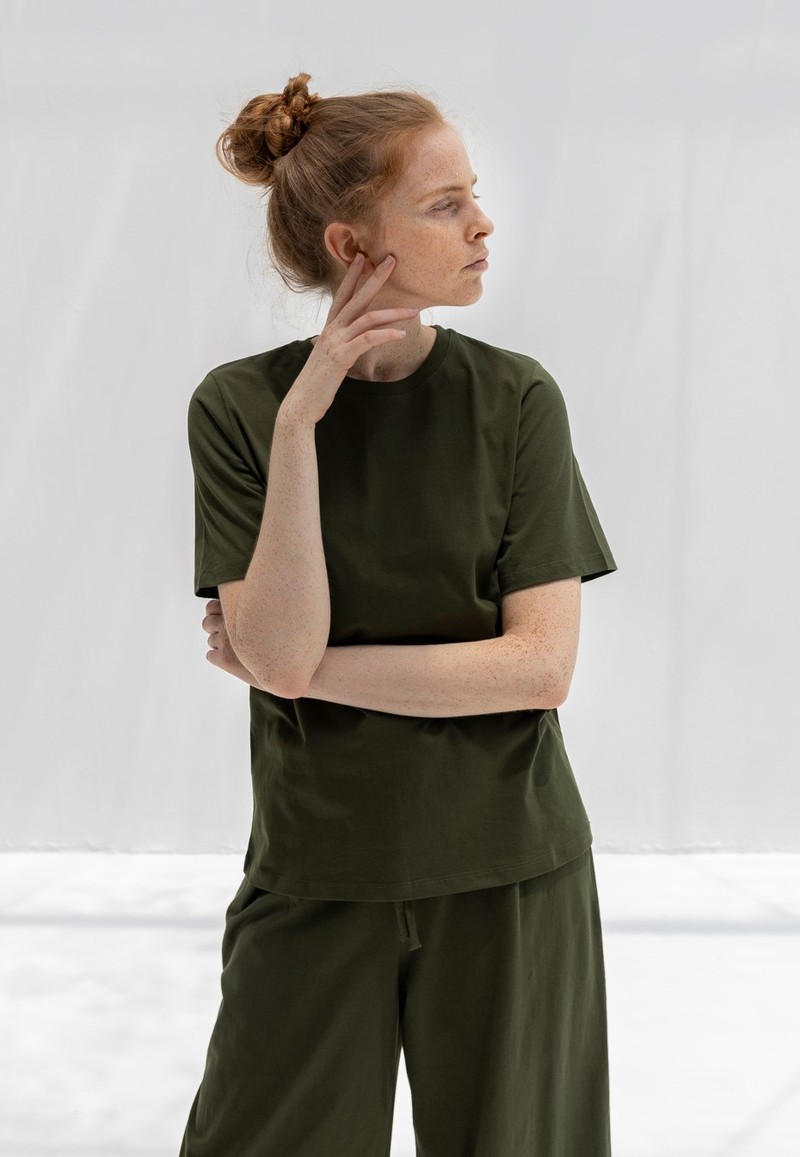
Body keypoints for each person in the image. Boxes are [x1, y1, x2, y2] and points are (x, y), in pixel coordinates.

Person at [180, 71, 617, 1157]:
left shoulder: (517, 399)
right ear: (351, 245)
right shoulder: (242, 409)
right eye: (444, 203)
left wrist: (303, 671)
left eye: (474, 194)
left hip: (512, 870)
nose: (482, 223)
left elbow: (538, 669)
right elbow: (281, 644)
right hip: (318, 869)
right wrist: (300, 425)